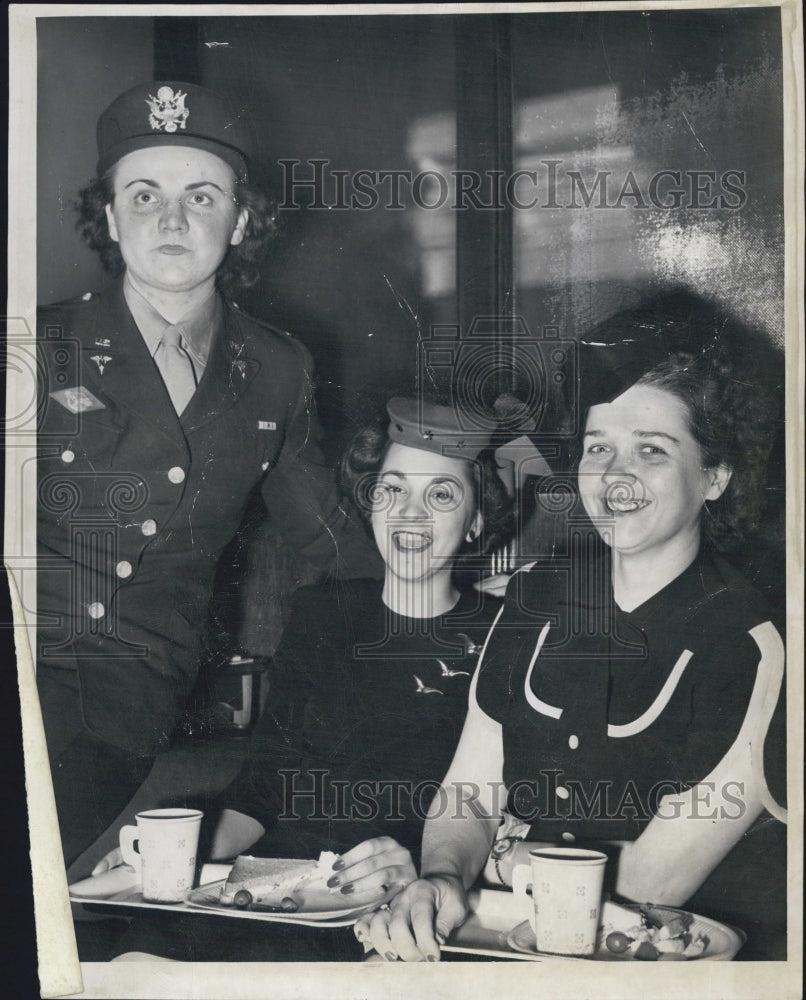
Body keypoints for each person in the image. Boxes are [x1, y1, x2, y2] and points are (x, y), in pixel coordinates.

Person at [358, 296, 787, 962]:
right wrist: (443, 875)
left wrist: (496, 858)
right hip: (509, 935)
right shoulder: (533, 600)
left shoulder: (756, 648)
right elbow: (468, 794)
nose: (615, 477)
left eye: (651, 451)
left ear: (716, 475)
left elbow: (650, 882)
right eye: (598, 448)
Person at [36, 81, 380, 867]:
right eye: (144, 194)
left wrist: (446, 599)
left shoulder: (276, 369)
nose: (171, 218)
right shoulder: (35, 344)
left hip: (129, 690)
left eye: (202, 195)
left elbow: (332, 545)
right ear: (112, 215)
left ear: (244, 219)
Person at [91, 396, 515, 960]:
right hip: (279, 883)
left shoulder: (503, 635)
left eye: (440, 494)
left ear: (477, 519)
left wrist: (433, 873)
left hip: (400, 899)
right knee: (141, 958)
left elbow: (486, 807)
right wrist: (173, 850)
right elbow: (267, 781)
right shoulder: (319, 611)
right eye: (392, 489)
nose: (410, 514)